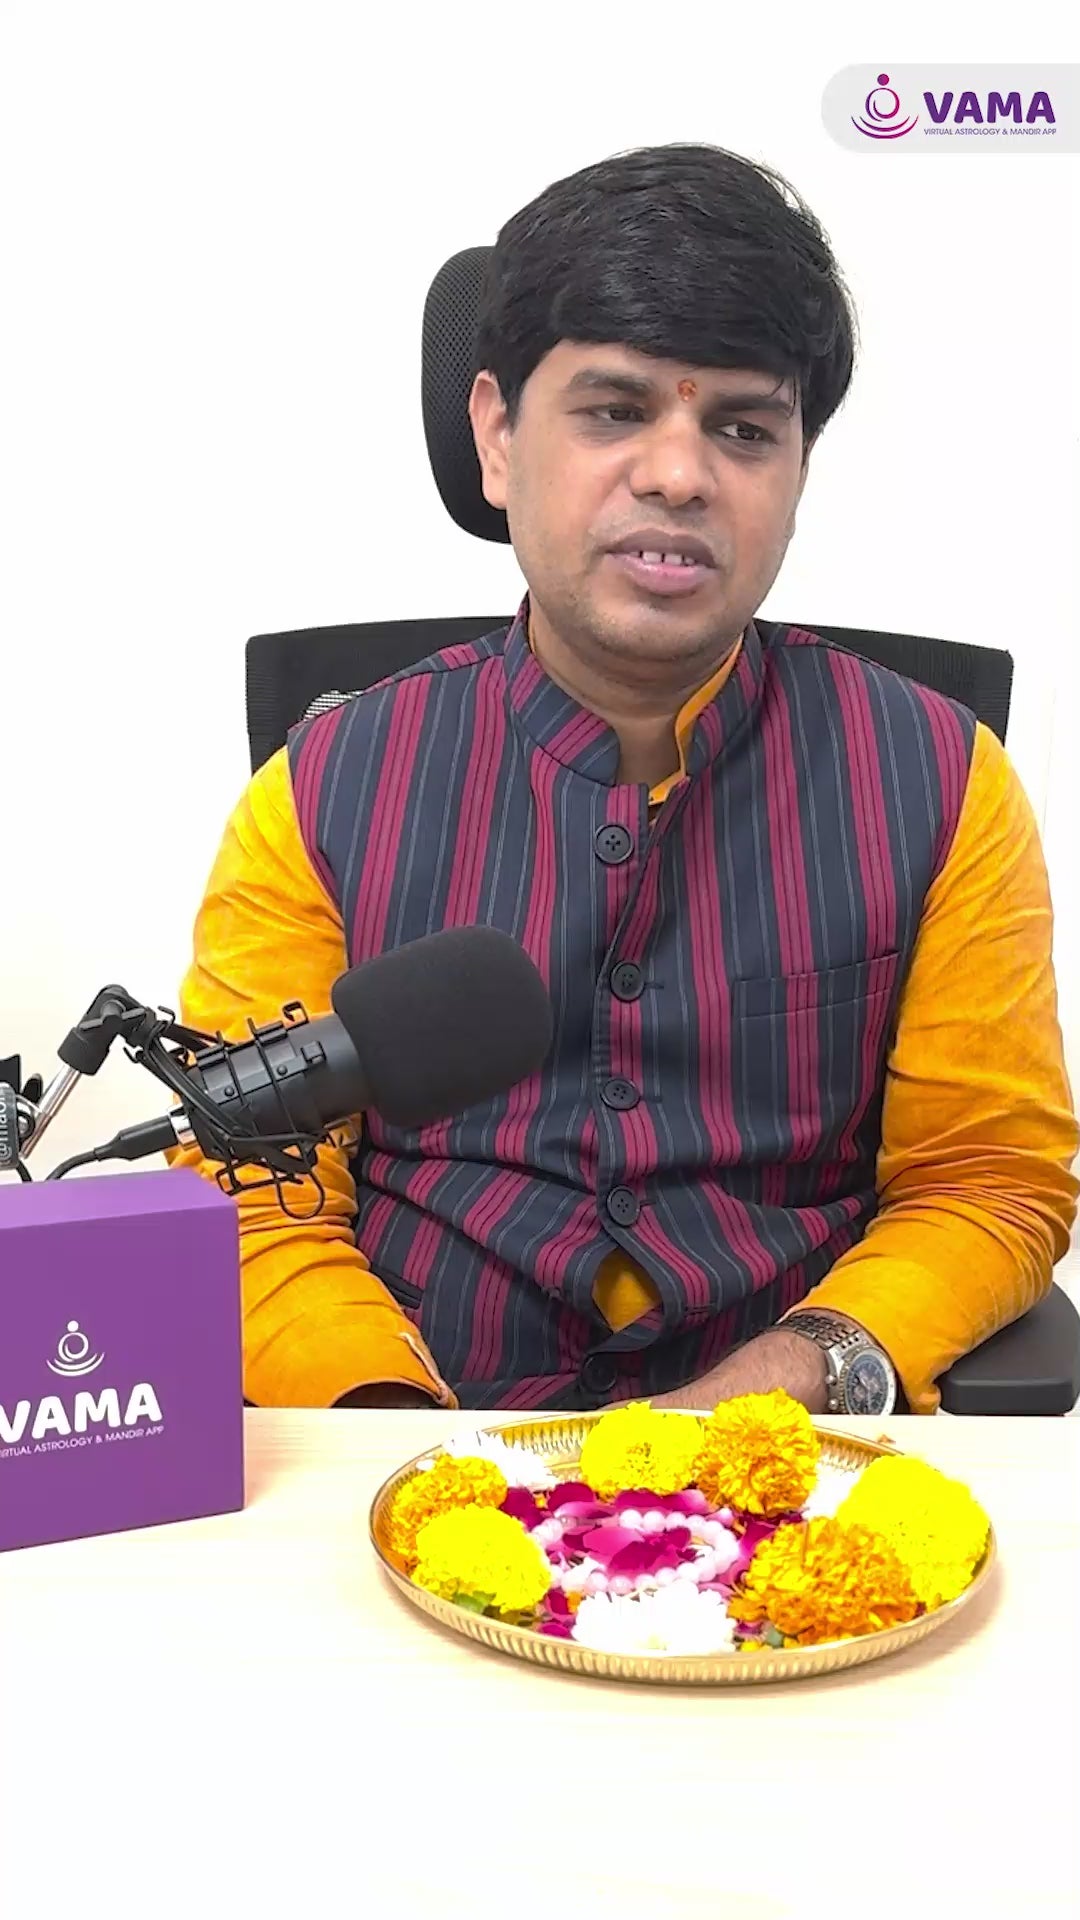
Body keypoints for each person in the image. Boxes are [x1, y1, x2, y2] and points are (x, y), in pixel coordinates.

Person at [173, 142, 1079, 1418]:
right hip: (419, 1436)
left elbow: (986, 1177)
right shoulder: (319, 788)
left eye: (744, 429)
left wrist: (781, 1385)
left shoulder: (943, 782)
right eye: (613, 410)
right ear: (497, 436)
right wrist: (410, 1455)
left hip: (788, 1459)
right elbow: (254, 1192)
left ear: (799, 471)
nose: (678, 474)